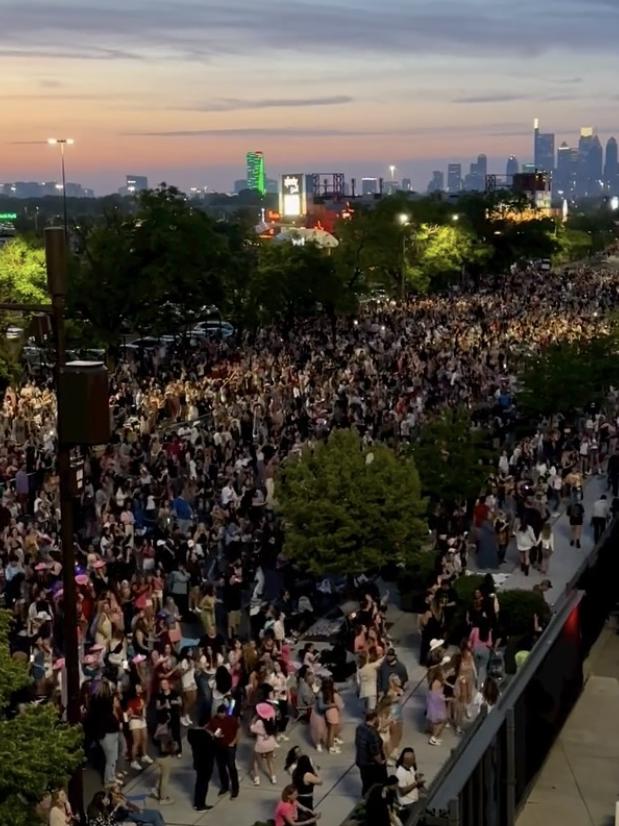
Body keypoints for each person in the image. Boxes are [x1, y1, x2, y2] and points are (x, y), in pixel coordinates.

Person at [207, 704, 240, 798]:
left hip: (230, 747)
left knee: (231, 766)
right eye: (219, 713)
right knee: (221, 767)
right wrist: (213, 734)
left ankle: (235, 789)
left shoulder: (231, 720)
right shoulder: (214, 720)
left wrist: (234, 742)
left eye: (223, 713)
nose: (221, 715)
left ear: (225, 713)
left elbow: (238, 730)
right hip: (218, 746)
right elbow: (208, 729)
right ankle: (224, 786)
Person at [354, 710, 388, 795]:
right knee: (377, 786)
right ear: (375, 718)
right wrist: (381, 762)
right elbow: (375, 753)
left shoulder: (360, 728)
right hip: (372, 765)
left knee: (366, 784)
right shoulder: (373, 734)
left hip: (362, 762)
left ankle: (364, 801)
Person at [187, 724, 215, 811]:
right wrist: (212, 737)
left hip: (198, 762)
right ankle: (201, 804)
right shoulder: (206, 737)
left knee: (199, 783)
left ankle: (197, 803)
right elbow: (211, 750)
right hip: (206, 764)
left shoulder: (192, 734)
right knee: (203, 784)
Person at [250, 701, 278, 785]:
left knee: (255, 761)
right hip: (270, 743)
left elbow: (252, 728)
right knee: (270, 760)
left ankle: (257, 778)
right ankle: (273, 777)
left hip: (261, 744)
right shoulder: (272, 721)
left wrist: (254, 719)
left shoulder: (259, 722)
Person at [395, 748, 425, 818]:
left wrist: (416, 776)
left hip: (414, 800)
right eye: (413, 759)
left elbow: (413, 775)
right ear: (409, 761)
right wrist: (416, 783)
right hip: (408, 804)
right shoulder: (400, 773)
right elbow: (402, 791)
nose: (415, 760)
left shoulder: (410, 767)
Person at [426, 667, 448, 746]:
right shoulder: (437, 682)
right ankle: (433, 738)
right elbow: (435, 695)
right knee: (440, 721)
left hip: (437, 704)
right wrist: (446, 698)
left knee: (438, 721)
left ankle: (435, 737)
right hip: (436, 705)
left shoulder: (438, 681)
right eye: (443, 672)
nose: (444, 673)